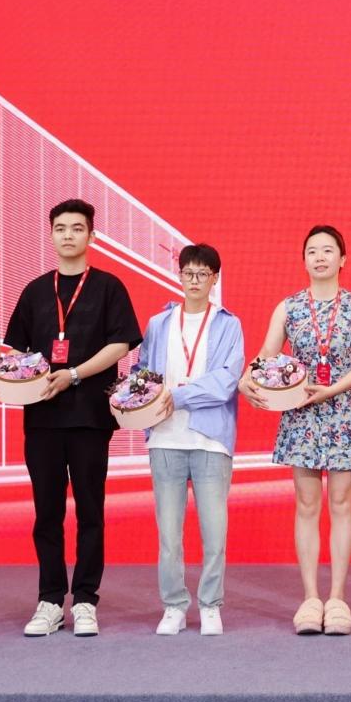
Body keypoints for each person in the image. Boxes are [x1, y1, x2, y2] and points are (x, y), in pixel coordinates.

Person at [0, 199, 141, 638]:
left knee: (91, 511)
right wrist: (5, 379)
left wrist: (74, 373)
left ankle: (85, 600)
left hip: (90, 417)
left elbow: (121, 344)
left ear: (91, 236)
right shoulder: (35, 290)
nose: (68, 235)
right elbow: (16, 351)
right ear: (51, 234)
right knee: (47, 513)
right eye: (60, 228)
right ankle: (49, 599)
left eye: (77, 228)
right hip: (42, 417)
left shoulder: (109, 287)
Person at [239, 225, 351, 636]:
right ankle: (310, 598)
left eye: (328, 250)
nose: (320, 257)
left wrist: (331, 390)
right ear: (304, 260)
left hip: (344, 411)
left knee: (342, 503)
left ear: (342, 259)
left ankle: (337, 598)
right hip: (301, 412)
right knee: (306, 504)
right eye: (312, 251)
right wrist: (247, 380)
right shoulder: (289, 307)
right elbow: (266, 356)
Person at [135, 243, 243, 637]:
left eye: (203, 274)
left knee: (214, 532)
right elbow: (143, 373)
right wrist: (139, 400)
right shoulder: (158, 323)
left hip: (210, 439)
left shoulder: (229, 324)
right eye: (188, 273)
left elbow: (225, 381)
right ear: (179, 275)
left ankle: (211, 604)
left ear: (215, 279)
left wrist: (176, 396)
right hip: (165, 438)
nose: (194, 280)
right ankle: (174, 605)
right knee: (169, 534)